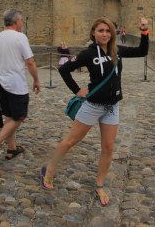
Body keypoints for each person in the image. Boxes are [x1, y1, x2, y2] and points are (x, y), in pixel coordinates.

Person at [40, 17, 148, 206]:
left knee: (108, 147)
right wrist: (77, 90)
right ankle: (49, 170)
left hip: (112, 106)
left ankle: (99, 184)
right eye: (100, 30)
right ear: (93, 33)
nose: (105, 34)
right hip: (93, 106)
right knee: (71, 141)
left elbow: (142, 51)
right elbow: (64, 69)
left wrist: (145, 31)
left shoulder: (117, 51)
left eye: (108, 31)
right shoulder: (88, 54)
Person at [0, 9, 41, 163]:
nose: (22, 23)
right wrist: (36, 80)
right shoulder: (20, 37)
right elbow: (30, 61)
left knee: (9, 117)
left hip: (0, 83)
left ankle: (12, 148)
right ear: (16, 22)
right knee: (19, 116)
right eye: (21, 20)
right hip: (15, 84)